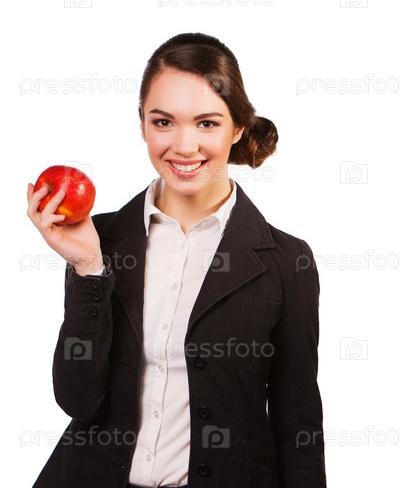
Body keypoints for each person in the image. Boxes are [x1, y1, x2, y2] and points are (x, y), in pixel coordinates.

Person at [26, 33, 326, 488]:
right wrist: (88, 268)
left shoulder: (286, 261)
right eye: (164, 122)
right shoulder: (100, 240)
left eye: (207, 123)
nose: (185, 146)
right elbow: (79, 400)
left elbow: (298, 422)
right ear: (142, 125)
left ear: (237, 128)